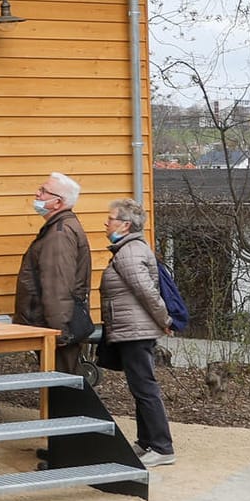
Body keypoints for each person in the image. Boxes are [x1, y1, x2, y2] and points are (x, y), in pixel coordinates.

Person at [102, 199, 176, 467]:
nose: (105, 223)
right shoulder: (126, 249)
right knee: (140, 387)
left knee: (145, 388)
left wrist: (164, 319)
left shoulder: (129, 252)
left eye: (110, 219)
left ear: (125, 224)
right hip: (131, 329)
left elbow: (146, 291)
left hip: (136, 331)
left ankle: (161, 446)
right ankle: (146, 442)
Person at [14, 172, 92, 374]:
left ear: (57, 203)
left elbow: (57, 286)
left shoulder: (59, 234)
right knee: (60, 387)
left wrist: (60, 332)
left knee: (61, 387)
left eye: (43, 191)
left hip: (55, 329)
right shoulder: (59, 228)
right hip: (55, 325)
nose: (37, 194)